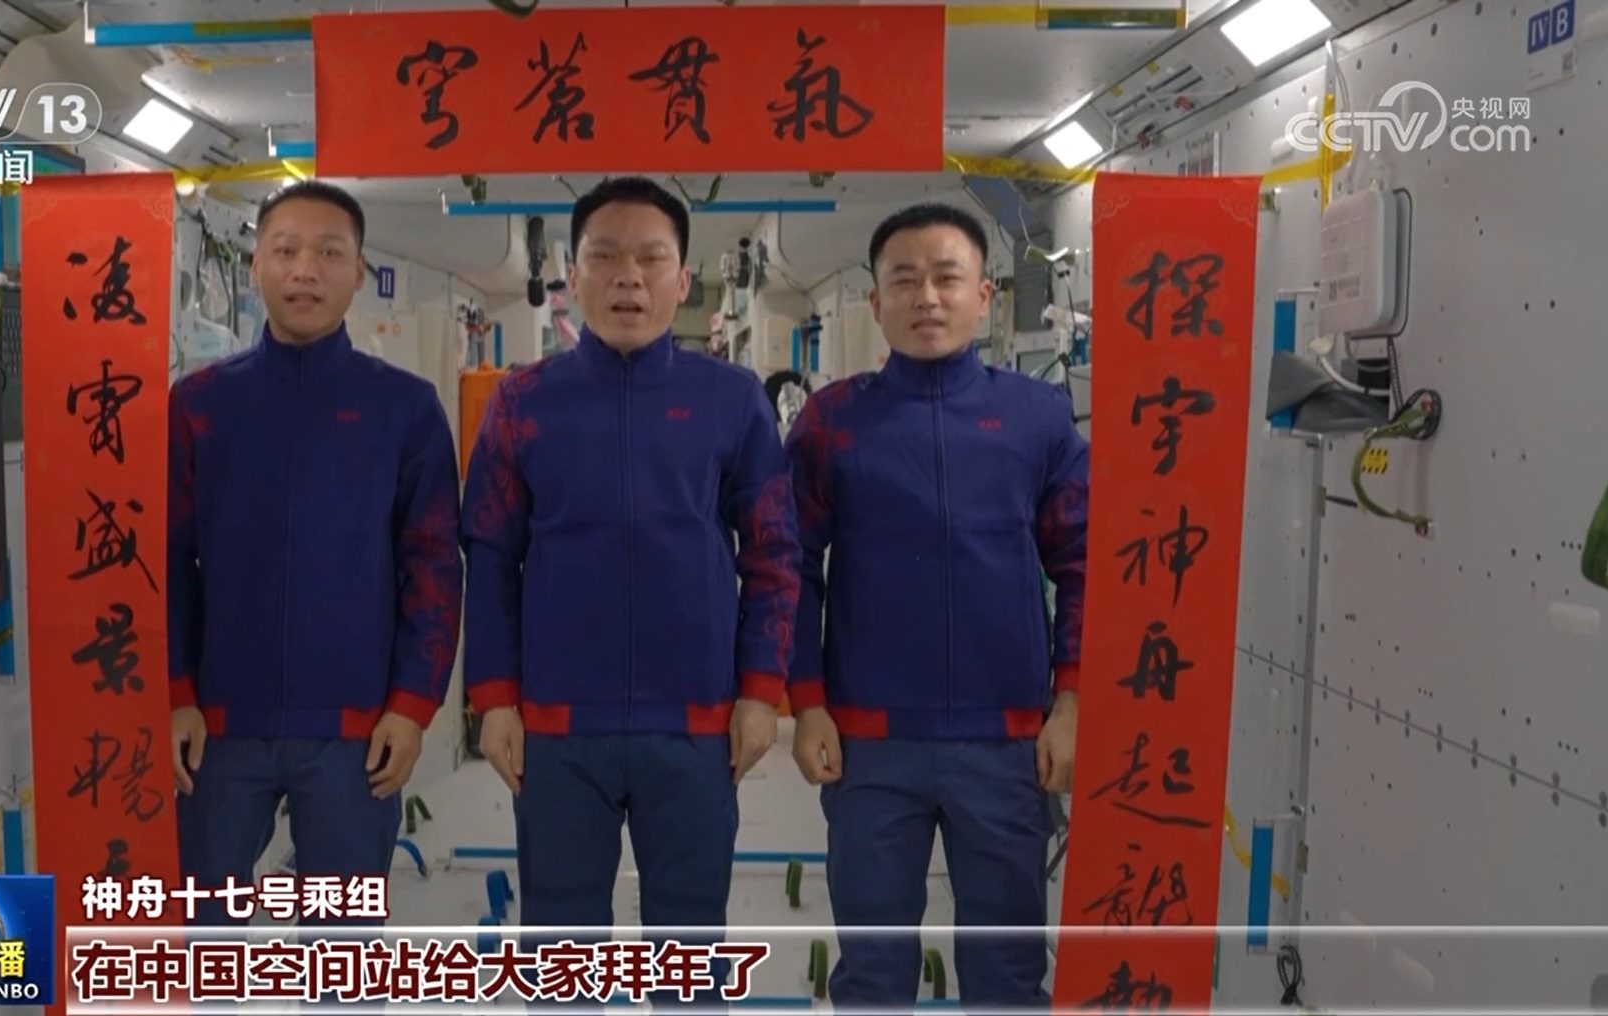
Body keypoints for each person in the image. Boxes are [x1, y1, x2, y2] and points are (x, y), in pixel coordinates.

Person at [459, 176, 801, 979]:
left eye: (651, 259)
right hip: (557, 726)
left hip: (695, 723)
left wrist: (760, 691)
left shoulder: (730, 399)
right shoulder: (523, 402)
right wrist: (494, 698)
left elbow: (774, 551)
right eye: (605, 258)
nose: (628, 279)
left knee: (690, 950)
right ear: (571, 277)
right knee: (561, 952)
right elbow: (490, 553)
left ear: (682, 280)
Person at [784, 202, 1088, 1010]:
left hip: (1007, 743)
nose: (927, 297)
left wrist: (1072, 702)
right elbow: (790, 568)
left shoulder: (1036, 419)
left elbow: (1084, 563)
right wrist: (807, 705)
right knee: (874, 973)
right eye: (904, 280)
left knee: (1007, 974)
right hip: (870, 746)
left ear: (984, 295)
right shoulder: (832, 422)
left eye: (947, 278)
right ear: (875, 301)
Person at [167, 180, 463, 926]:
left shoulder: (405, 409)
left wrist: (412, 706)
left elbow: (433, 566)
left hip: (355, 729)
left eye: (330, 253)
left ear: (359, 272)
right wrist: (176, 695)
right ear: (255, 266)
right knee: (206, 931)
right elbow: (168, 560)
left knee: (343, 944)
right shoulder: (200, 404)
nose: (305, 270)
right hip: (221, 725)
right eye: (286, 250)